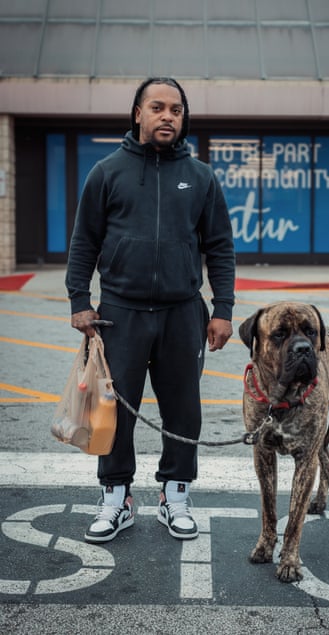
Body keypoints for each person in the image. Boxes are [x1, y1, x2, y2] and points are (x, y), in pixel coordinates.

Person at [66, 77, 235, 544]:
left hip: (184, 311)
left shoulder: (200, 176)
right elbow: (84, 241)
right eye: (157, 107)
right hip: (120, 311)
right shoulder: (107, 172)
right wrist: (80, 300)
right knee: (114, 411)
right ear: (137, 113)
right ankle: (116, 498)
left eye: (176, 110)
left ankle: (175, 496)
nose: (168, 116)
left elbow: (220, 247)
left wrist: (222, 309)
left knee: (184, 409)